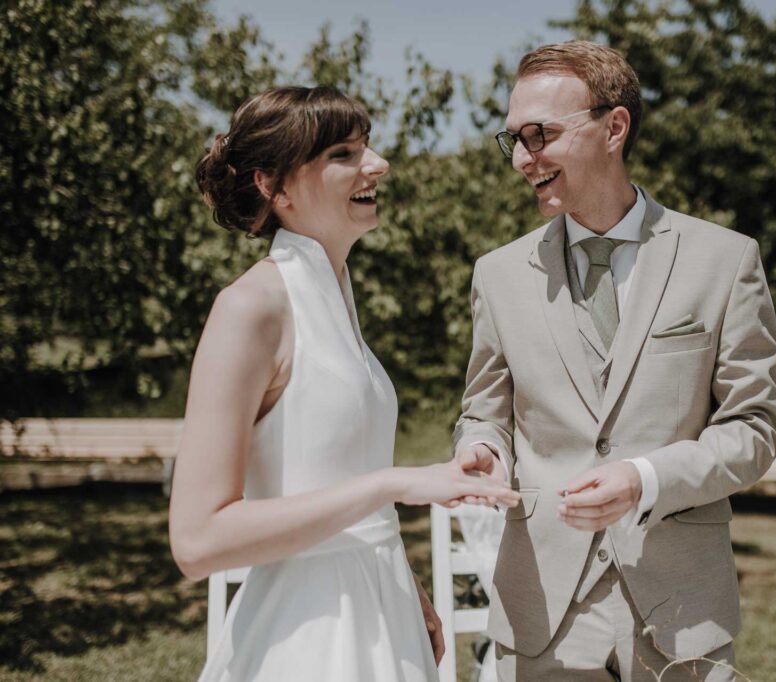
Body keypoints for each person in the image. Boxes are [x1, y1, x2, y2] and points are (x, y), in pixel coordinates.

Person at [453, 42, 776, 681]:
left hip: (681, 613)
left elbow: (755, 429)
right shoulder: (496, 276)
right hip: (542, 612)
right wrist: (483, 449)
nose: (523, 158)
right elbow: (484, 412)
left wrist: (646, 479)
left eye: (540, 134)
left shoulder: (725, 260)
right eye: (513, 139)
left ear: (614, 127)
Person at [168, 85, 519, 681]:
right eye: (343, 154)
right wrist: (392, 483)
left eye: (367, 147)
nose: (377, 164)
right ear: (272, 186)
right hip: (308, 633)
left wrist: (403, 583)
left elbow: (330, 476)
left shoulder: (335, 296)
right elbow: (198, 540)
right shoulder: (250, 307)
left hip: (381, 611)